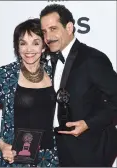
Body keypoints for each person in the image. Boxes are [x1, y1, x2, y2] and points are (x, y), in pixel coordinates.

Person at [40, 4, 117, 167]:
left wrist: (88, 123)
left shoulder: (92, 58)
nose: (48, 37)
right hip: (61, 149)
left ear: (69, 27)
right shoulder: (50, 60)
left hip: (91, 148)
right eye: (45, 32)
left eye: (53, 28)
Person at [0, 18, 59, 167]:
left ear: (44, 46)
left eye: (35, 43)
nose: (29, 49)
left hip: (50, 157)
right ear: (17, 47)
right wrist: (1, 145)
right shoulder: (5, 75)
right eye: (23, 43)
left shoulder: (54, 72)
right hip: (15, 157)